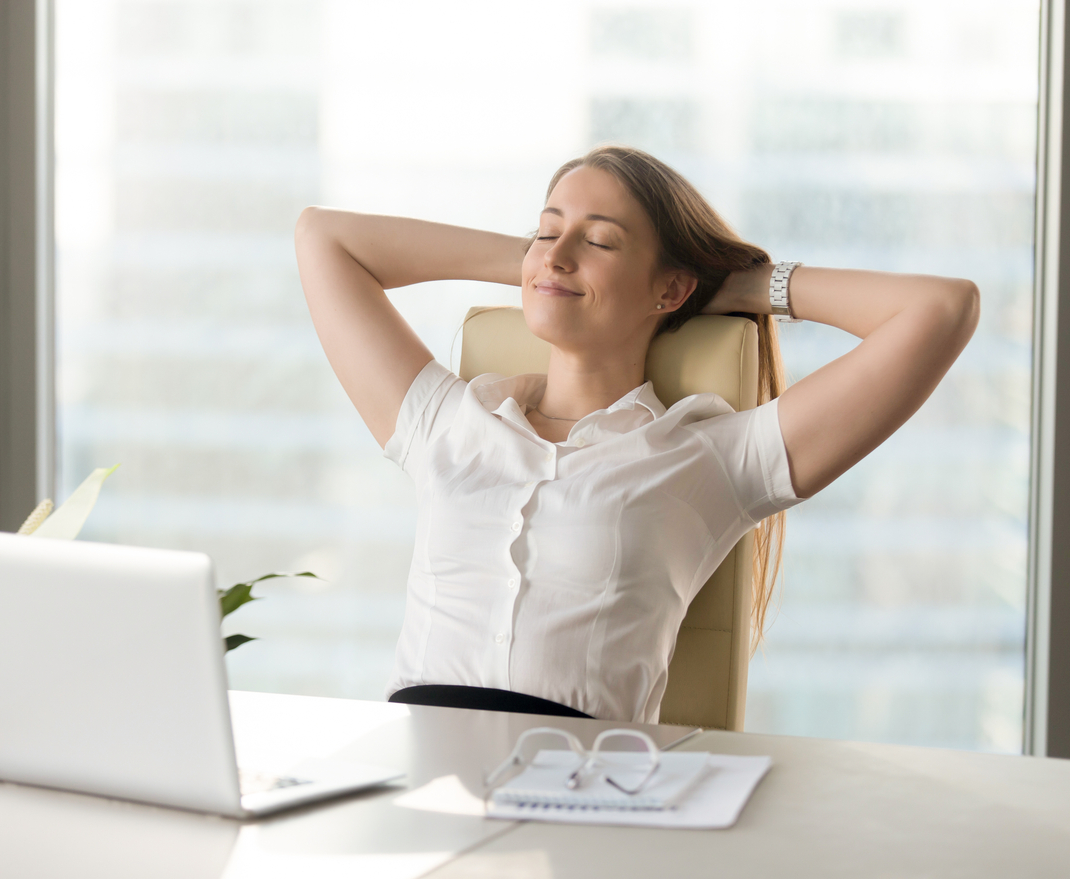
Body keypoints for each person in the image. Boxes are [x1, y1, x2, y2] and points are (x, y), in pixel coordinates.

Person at [294, 145, 979, 724]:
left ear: (670, 289)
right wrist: (542, 268)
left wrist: (738, 285)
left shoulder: (709, 459)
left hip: (582, 802)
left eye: (598, 240)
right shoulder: (446, 420)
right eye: (546, 228)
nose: (558, 252)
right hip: (413, 784)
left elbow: (941, 308)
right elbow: (322, 236)